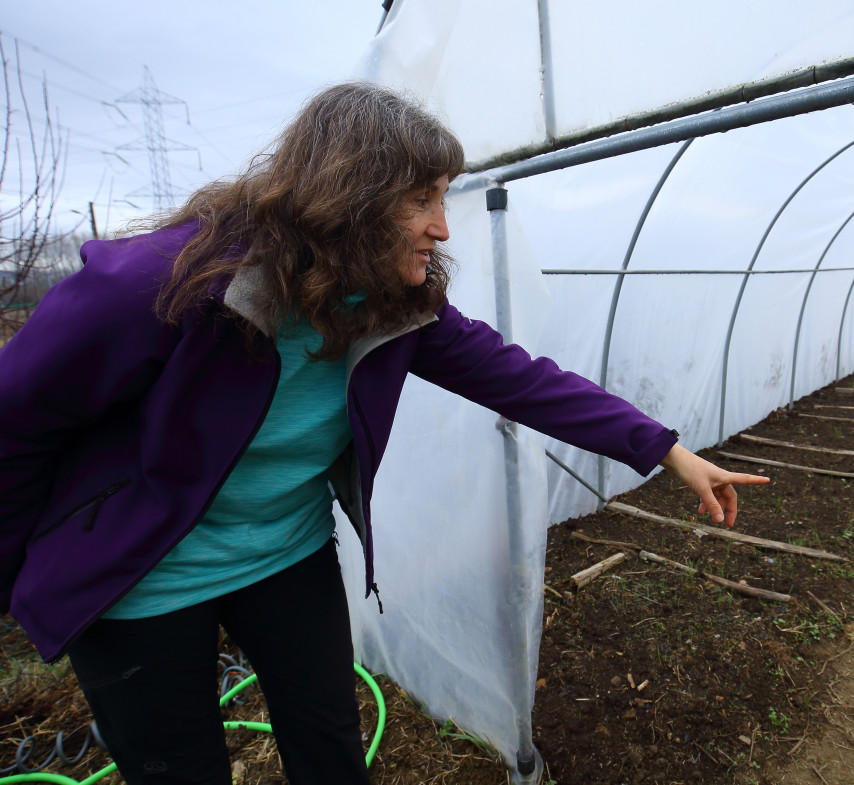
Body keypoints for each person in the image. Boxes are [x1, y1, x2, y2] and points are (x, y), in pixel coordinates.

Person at [0, 81, 768, 785]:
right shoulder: (161, 287)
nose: (440, 225)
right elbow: (16, 424)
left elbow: (522, 379)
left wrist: (664, 448)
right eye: (422, 200)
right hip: (142, 578)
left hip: (283, 553)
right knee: (180, 769)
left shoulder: (391, 305)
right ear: (351, 197)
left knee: (329, 741)